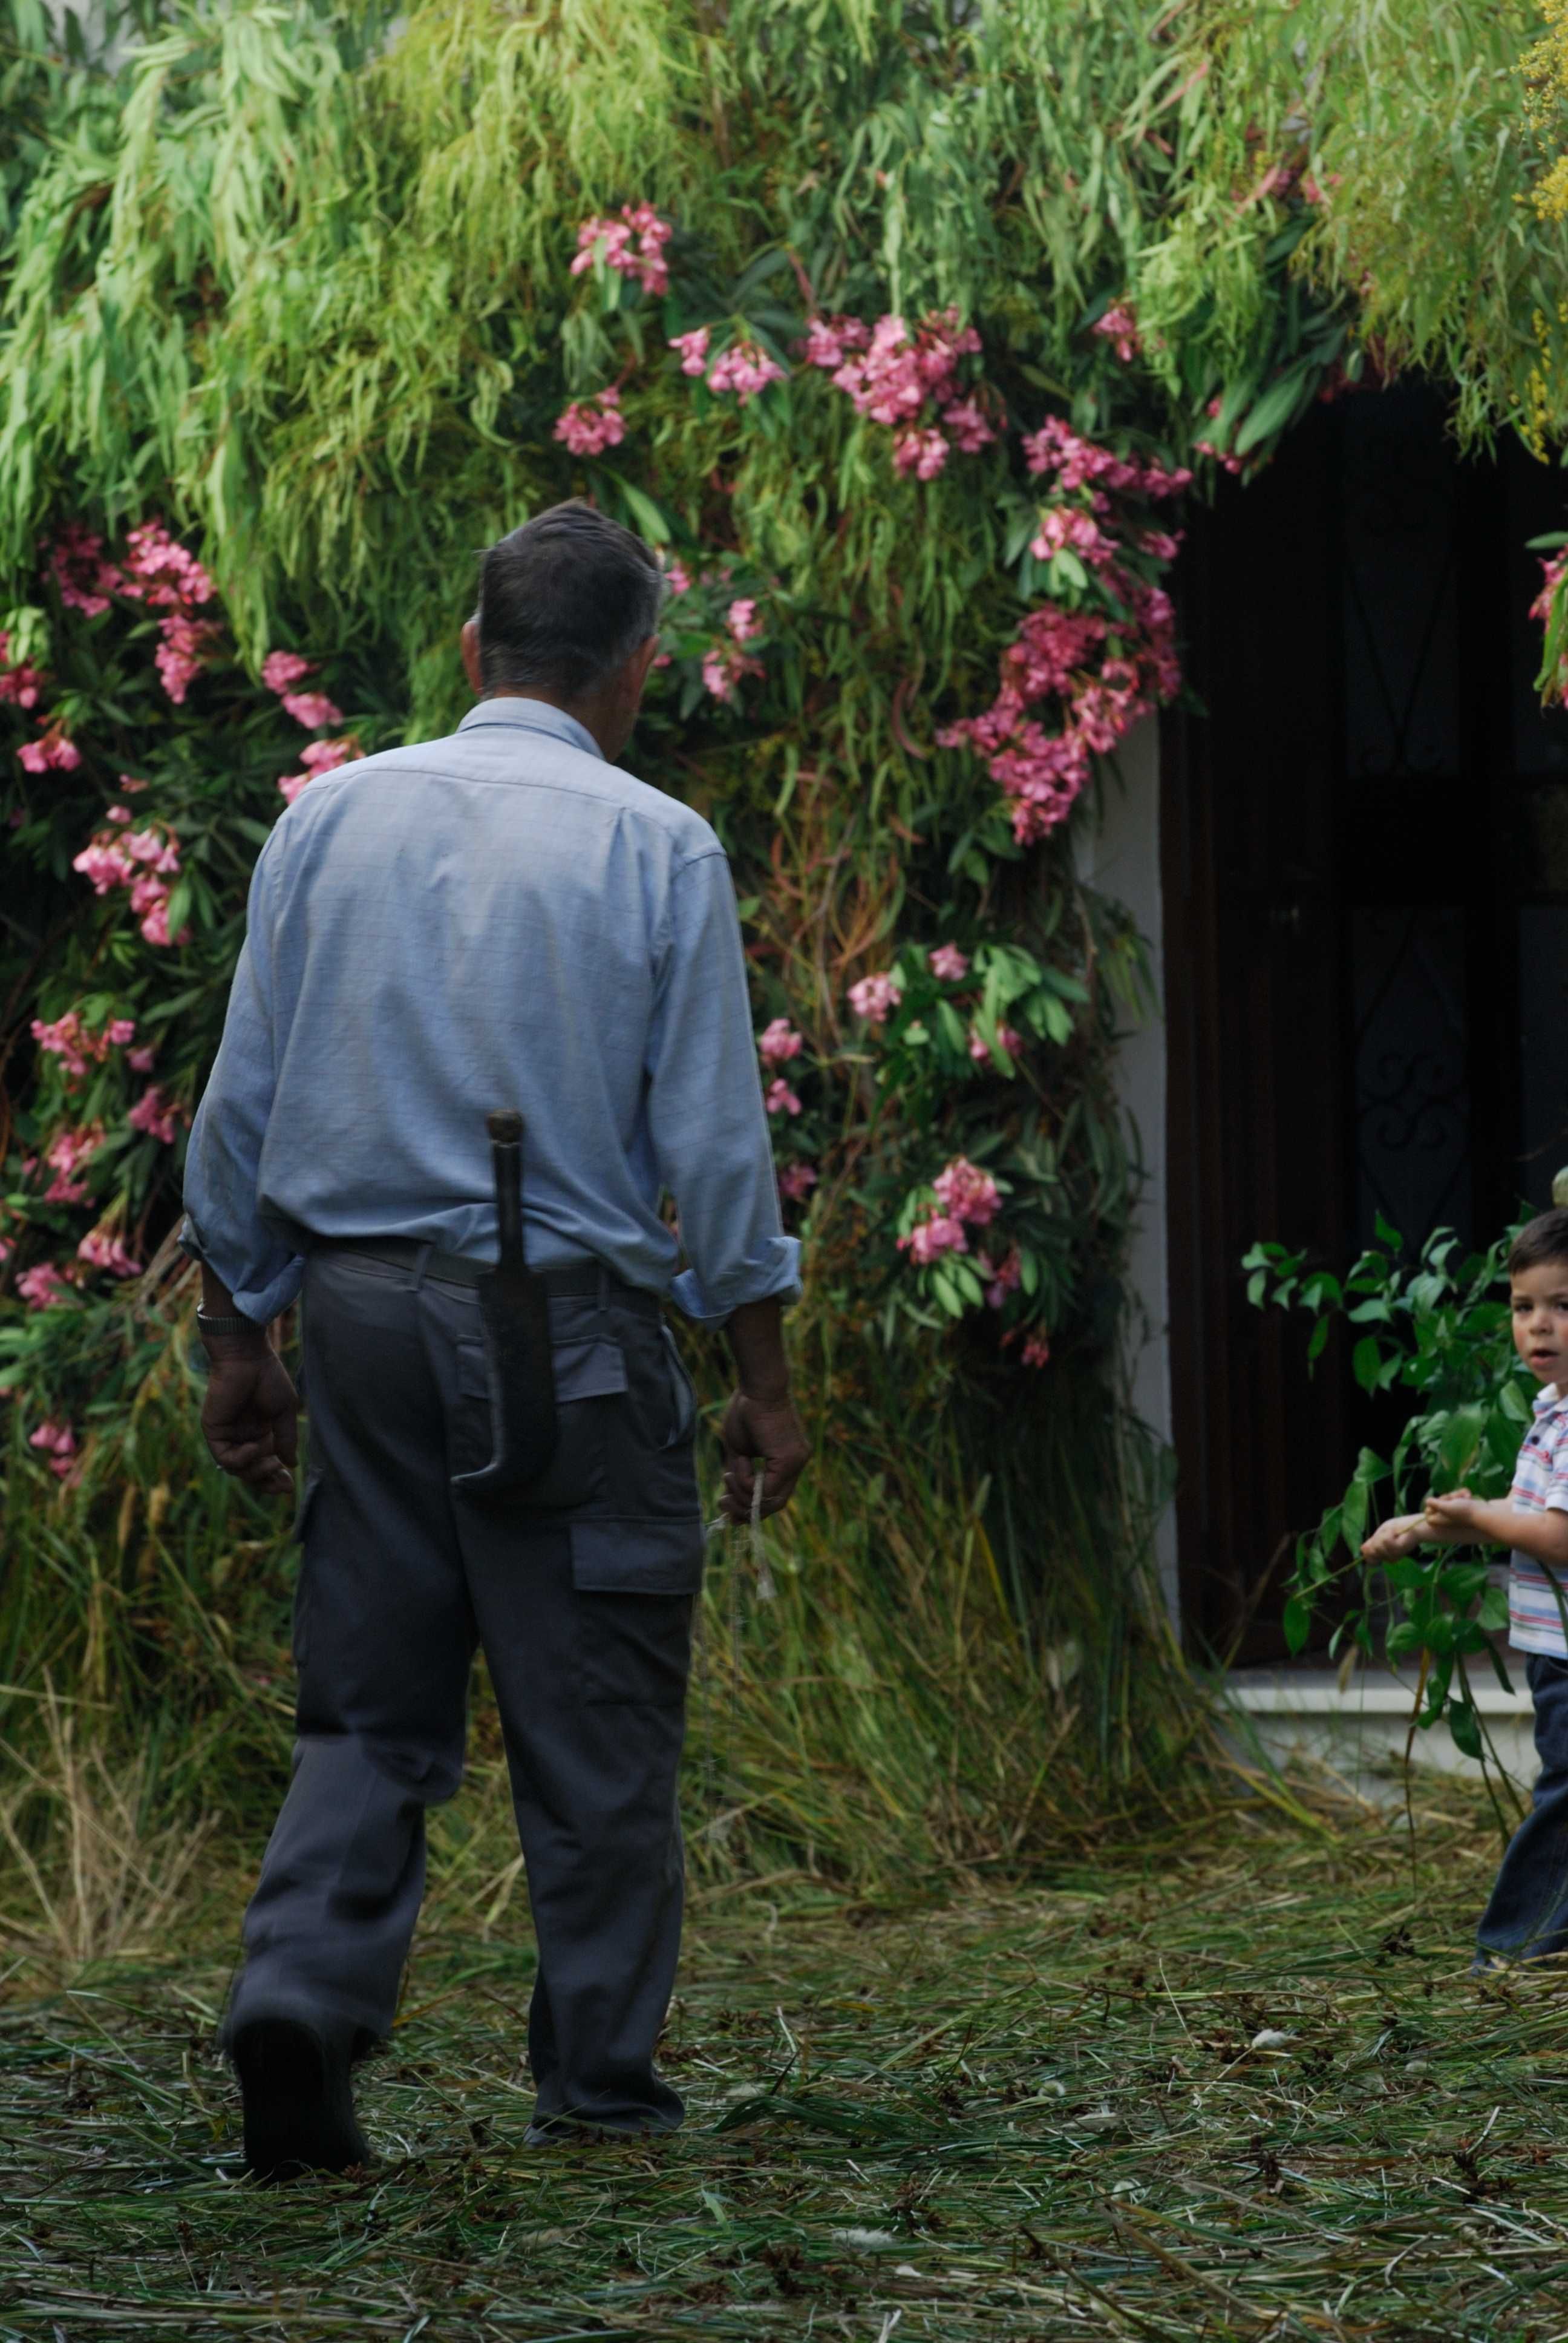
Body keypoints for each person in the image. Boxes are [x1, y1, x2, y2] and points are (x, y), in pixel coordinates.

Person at [180, 500, 811, 2178]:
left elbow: (239, 1114)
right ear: (636, 674)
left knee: (371, 1703)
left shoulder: (330, 818)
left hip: (360, 1312)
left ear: (473, 649)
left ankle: (302, 1996)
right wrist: (761, 1385)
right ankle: (598, 2089)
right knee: (595, 1721)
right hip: (570, 1332)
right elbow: (717, 1154)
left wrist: (241, 1341)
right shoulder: (655, 843)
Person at [1361, 1207, 1568, 1965]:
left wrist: (1480, 1512)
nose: (1538, 1326)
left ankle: (1511, 1951)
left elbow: (1557, 1535)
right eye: (1523, 1307)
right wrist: (1426, 1527)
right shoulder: (1551, 1413)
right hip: (1557, 1650)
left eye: (1563, 1306)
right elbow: (1522, 1517)